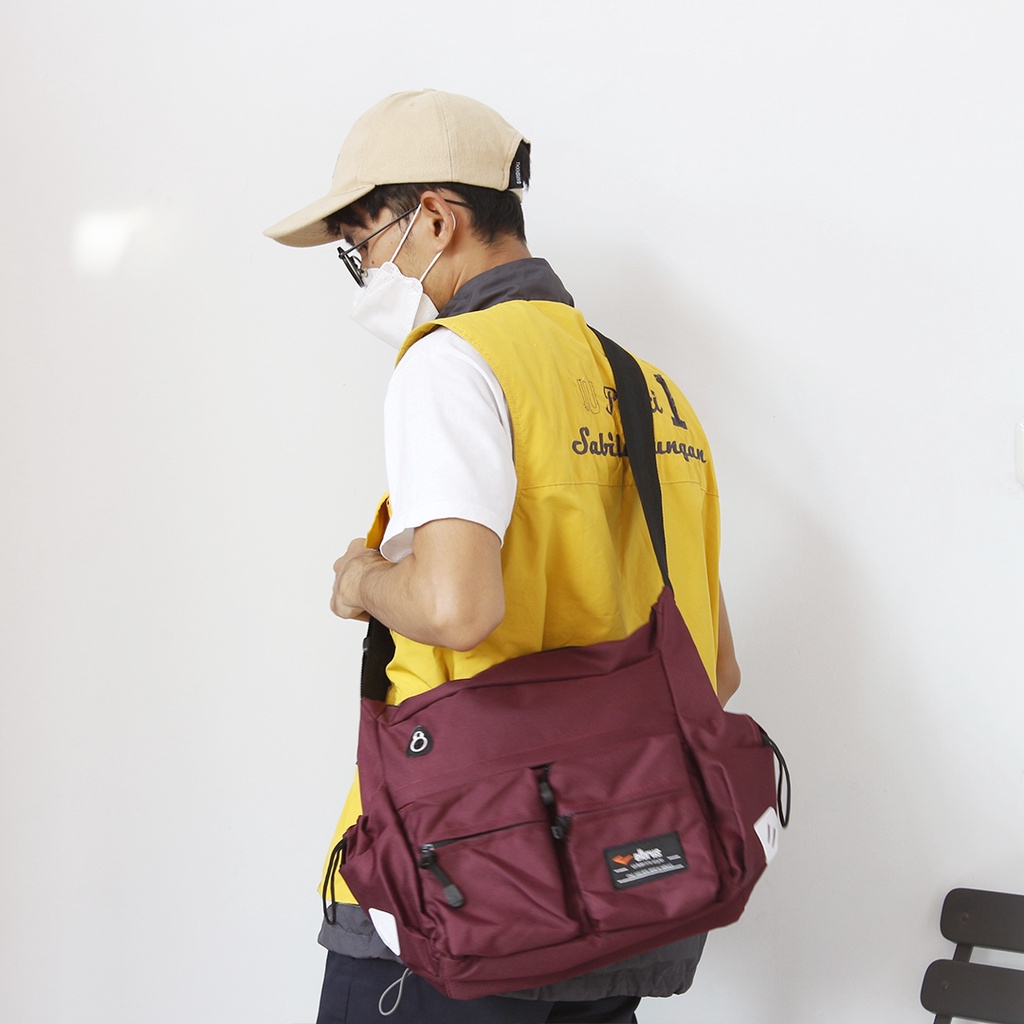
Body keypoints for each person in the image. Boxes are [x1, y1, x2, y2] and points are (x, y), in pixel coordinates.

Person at [265, 89, 741, 1024]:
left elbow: (457, 607)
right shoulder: (656, 393)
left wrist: (364, 579)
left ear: (436, 218)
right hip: (622, 898)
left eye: (363, 246)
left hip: (462, 882)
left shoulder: (452, 363)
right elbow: (714, 668)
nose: (366, 274)